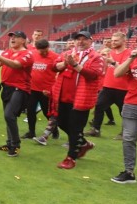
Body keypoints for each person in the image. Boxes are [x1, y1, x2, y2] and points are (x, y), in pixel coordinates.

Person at [51, 31, 104, 169]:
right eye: (77, 39)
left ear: (91, 41)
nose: (80, 41)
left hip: (81, 98)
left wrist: (75, 65)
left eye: (84, 39)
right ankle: (83, 143)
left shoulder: (96, 57)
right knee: (62, 123)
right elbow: (53, 67)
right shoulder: (67, 53)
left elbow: (92, 75)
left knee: (75, 128)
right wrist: (65, 63)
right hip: (63, 96)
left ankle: (71, 158)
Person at [0, 31, 33, 157]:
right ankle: (9, 144)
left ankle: (15, 144)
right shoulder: (8, 52)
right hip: (7, 87)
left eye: (16, 37)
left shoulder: (27, 53)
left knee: (9, 115)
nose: (12, 39)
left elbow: (16, 65)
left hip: (20, 88)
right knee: (8, 117)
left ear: (23, 40)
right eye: (11, 37)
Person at [86, 32, 130, 137]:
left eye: (116, 40)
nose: (113, 42)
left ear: (124, 41)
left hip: (123, 88)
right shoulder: (111, 52)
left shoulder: (128, 53)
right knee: (99, 105)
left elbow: (126, 70)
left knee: (124, 112)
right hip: (108, 87)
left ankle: (125, 133)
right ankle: (95, 130)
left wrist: (113, 62)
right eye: (112, 40)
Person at [111, 37, 137, 183]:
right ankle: (129, 172)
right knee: (128, 139)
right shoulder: (134, 58)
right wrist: (131, 58)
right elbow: (117, 73)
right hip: (132, 104)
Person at [25, 39, 58, 139]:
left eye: (45, 50)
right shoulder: (32, 54)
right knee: (30, 111)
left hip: (46, 91)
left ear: (48, 47)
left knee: (46, 112)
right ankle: (31, 132)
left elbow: (59, 74)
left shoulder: (55, 57)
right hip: (32, 89)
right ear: (36, 49)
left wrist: (53, 89)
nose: (43, 53)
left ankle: (54, 130)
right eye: (41, 51)